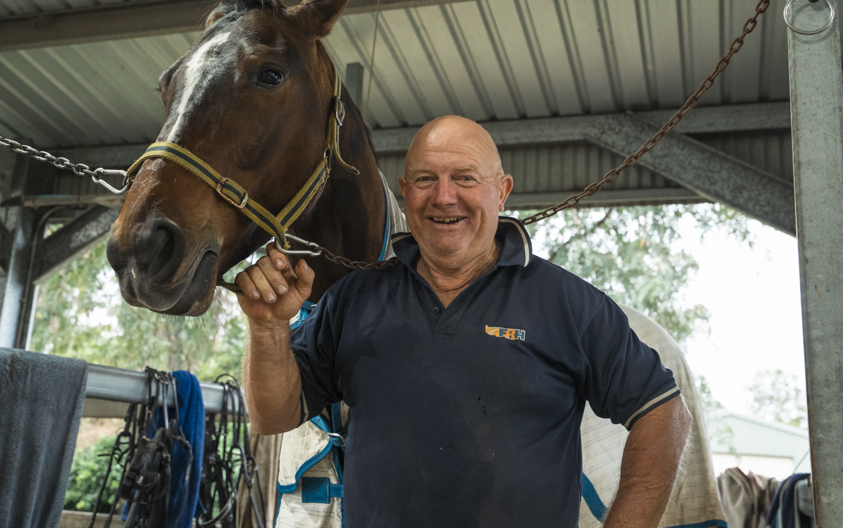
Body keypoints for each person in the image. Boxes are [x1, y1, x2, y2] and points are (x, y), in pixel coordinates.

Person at [236, 115, 693, 527]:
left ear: (502, 191)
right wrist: (268, 327)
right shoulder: (354, 299)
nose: (443, 196)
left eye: (465, 178)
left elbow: (664, 413)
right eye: (425, 179)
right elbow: (273, 415)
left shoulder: (568, 303)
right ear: (404, 190)